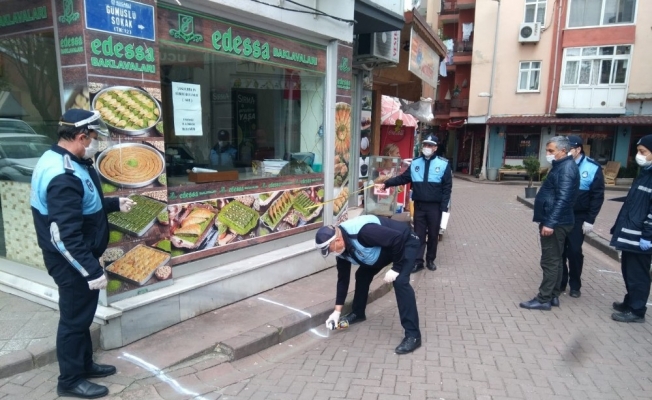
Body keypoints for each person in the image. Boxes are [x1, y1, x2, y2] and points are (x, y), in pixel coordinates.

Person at [30, 109, 134, 399]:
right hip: (71, 261)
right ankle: (70, 380)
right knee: (74, 320)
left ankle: (84, 364)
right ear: (79, 136)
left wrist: (113, 205)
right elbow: (63, 235)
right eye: (93, 138)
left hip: (80, 255)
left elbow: (84, 203)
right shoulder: (62, 175)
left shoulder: (71, 162)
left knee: (83, 316)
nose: (96, 143)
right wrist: (91, 270)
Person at [315, 215, 422, 354]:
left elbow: (397, 239)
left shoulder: (364, 233)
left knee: (400, 282)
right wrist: (337, 311)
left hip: (405, 242)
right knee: (362, 275)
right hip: (384, 250)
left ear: (338, 240)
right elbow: (343, 280)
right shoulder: (341, 251)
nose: (330, 253)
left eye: (330, 249)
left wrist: (396, 268)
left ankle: (413, 336)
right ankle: (358, 313)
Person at [520, 136, 579, 311]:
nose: (548, 154)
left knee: (550, 261)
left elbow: (563, 198)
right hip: (557, 220)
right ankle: (553, 296)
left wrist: (550, 223)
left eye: (551, 151)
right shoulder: (561, 166)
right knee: (557, 260)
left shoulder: (566, 168)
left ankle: (544, 298)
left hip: (556, 222)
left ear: (563, 151)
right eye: (547, 150)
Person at [382, 134, 452, 273]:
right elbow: (403, 178)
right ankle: (418, 261)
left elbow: (447, 187)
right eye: (425, 145)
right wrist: (387, 183)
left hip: (435, 207)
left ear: (435, 148)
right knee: (418, 235)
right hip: (419, 205)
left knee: (433, 234)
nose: (427, 147)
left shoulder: (443, 164)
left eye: (430, 145)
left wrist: (444, 207)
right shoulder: (415, 163)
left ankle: (430, 259)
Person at [609, 135, 652, 323]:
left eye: (643, 152)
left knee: (638, 274)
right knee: (628, 271)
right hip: (630, 233)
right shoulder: (645, 173)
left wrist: (648, 236)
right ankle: (630, 301)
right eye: (638, 151)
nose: (638, 155)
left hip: (641, 237)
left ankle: (637, 310)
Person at [560, 135, 605, 298]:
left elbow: (597, 196)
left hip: (579, 216)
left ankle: (575, 284)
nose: (564, 152)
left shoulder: (592, 167)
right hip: (561, 215)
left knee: (573, 251)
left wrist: (590, 220)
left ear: (578, 149)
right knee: (559, 251)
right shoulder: (561, 165)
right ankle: (561, 282)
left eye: (568, 149)